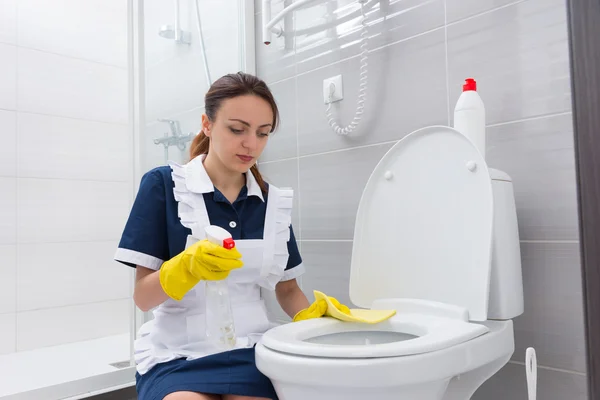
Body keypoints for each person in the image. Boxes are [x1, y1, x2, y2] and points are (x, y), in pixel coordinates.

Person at [114, 72, 347, 400]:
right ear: (207, 125)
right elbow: (143, 298)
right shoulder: (164, 185)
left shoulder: (271, 202)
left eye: (263, 133)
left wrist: (315, 324)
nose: (251, 144)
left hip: (252, 350)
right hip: (177, 353)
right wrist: (185, 267)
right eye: (237, 129)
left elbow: (288, 289)